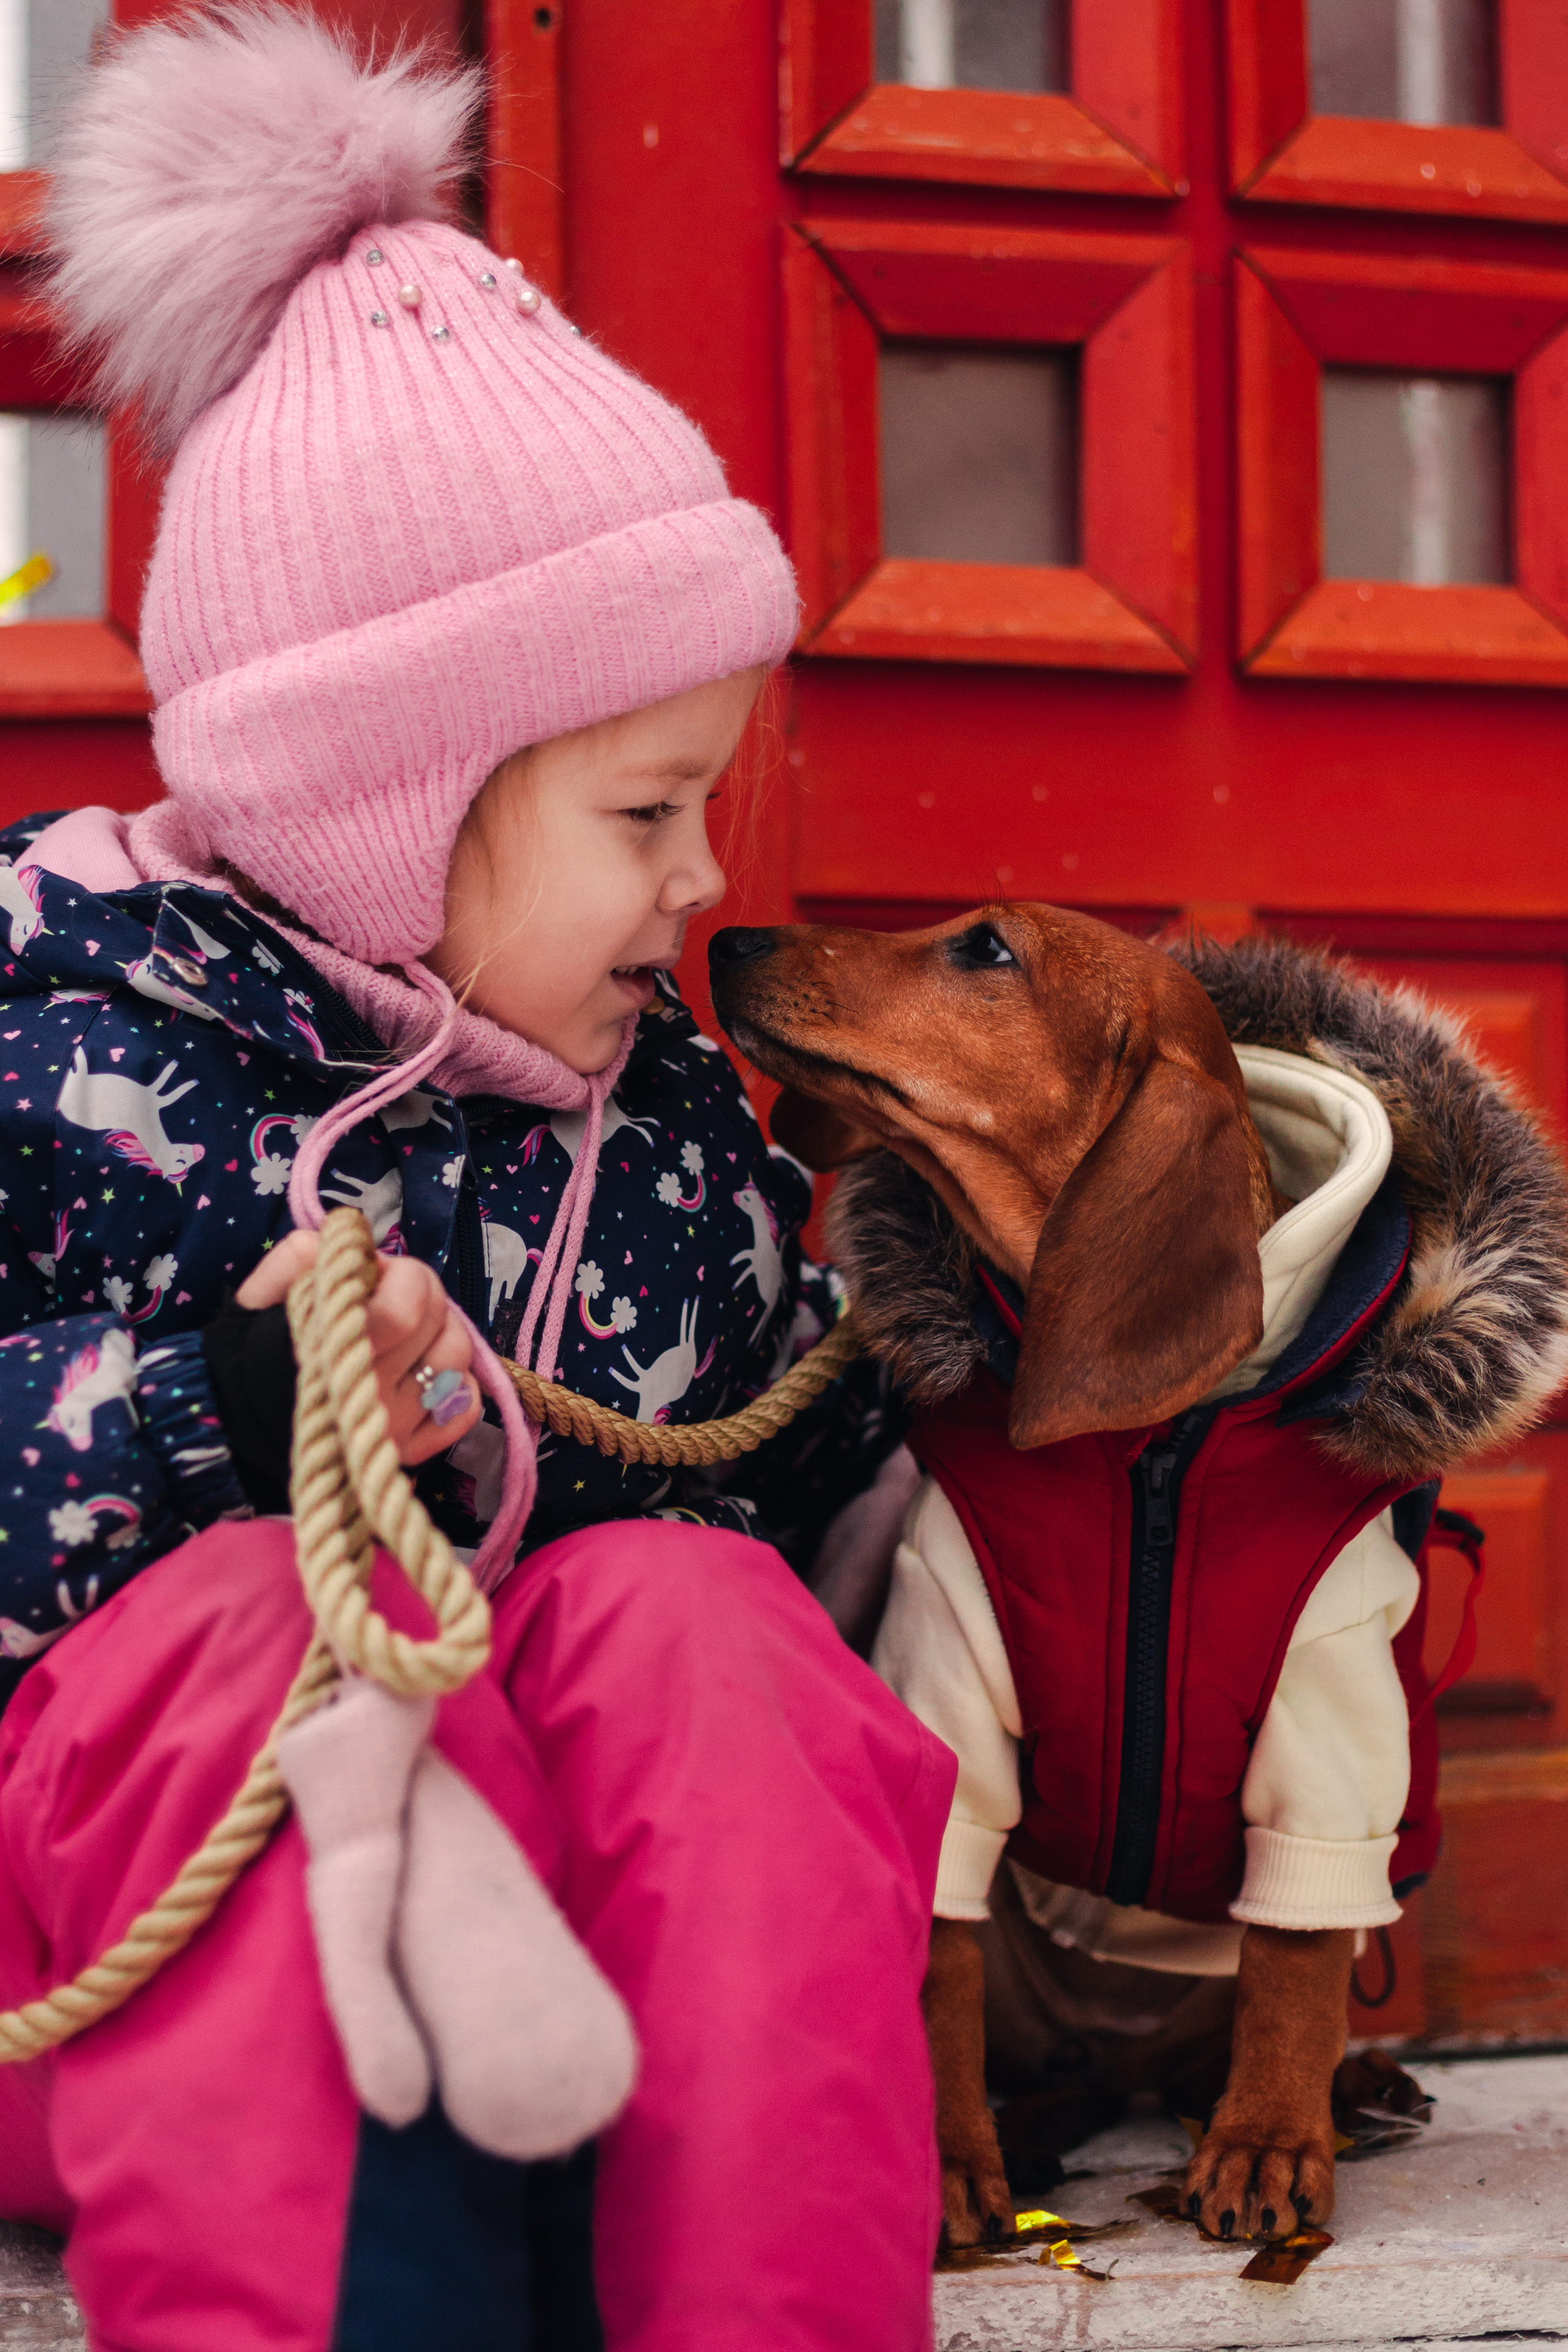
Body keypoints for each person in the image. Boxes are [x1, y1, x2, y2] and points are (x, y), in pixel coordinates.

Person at [0, 11, 953, 2349]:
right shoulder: (60, 1030)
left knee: (708, 1623)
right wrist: (230, 1410)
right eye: (646, 815)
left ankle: (763, 2299)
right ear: (379, 802)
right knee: (257, 1627)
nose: (703, 878)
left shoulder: (676, 1128)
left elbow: (808, 1461)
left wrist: (981, 1323)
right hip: (129, 1952)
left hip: (583, 1988)